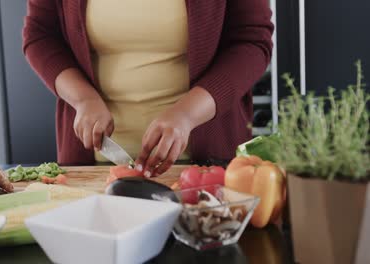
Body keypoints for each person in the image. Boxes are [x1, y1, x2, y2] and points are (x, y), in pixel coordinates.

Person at [22, 0, 273, 177]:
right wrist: (83, 99)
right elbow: (40, 34)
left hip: (204, 165)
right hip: (93, 166)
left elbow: (251, 41)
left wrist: (187, 113)